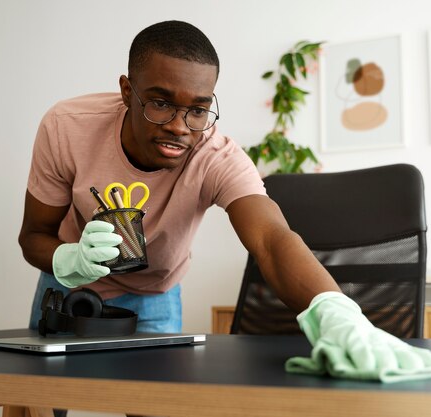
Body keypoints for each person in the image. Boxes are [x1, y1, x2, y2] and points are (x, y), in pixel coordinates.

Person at [18, 20, 341, 335]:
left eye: (198, 110)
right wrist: (70, 259)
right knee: (47, 389)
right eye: (160, 103)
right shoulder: (67, 127)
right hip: (68, 287)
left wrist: (338, 315)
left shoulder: (215, 156)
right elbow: (33, 237)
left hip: (154, 298)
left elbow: (271, 240)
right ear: (127, 92)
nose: (179, 126)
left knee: (152, 391)